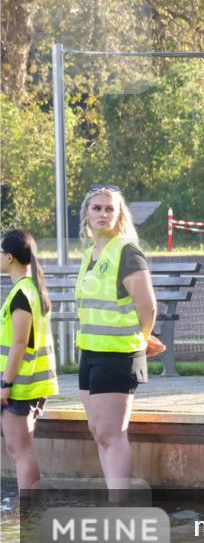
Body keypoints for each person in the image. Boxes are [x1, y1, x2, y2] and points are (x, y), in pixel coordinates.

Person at [75, 184, 157, 490]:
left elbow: (147, 305)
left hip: (118, 354)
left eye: (110, 208)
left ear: (119, 214)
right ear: (86, 213)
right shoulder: (89, 255)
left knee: (112, 433)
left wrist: (142, 340)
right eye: (97, 208)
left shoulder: (126, 251)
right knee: (98, 431)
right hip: (91, 354)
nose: (103, 213)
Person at [1, 230, 58, 490]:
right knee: (20, 450)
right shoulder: (31, 288)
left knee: (21, 451)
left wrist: (6, 383)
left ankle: (29, 515)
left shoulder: (23, 293)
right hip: (28, 384)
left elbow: (20, 343)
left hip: (20, 386)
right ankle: (29, 513)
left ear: (10, 257)